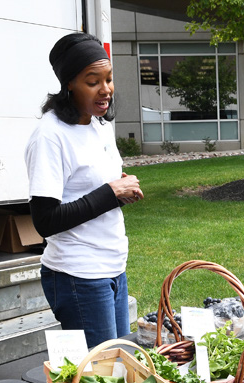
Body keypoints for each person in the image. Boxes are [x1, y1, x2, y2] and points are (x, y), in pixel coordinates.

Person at [25, 32, 143, 348]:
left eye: (109, 79)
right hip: (79, 275)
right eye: (93, 81)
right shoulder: (50, 136)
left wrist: (121, 190)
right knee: (102, 377)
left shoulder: (96, 123)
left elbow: (94, 189)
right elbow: (45, 220)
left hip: (113, 266)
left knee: (121, 365)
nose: (106, 89)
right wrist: (110, 193)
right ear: (69, 84)